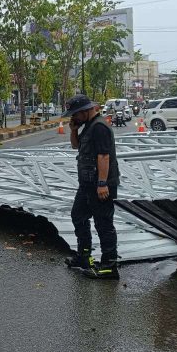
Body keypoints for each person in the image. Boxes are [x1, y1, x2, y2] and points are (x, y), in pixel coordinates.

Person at [63, 94, 121, 280]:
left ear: (86, 111)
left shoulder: (99, 127)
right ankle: (84, 257)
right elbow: (75, 146)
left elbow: (104, 157)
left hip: (100, 185)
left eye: (75, 115)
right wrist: (73, 130)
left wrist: (102, 184)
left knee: (103, 224)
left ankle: (109, 266)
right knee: (78, 216)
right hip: (87, 184)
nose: (74, 118)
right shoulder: (88, 126)